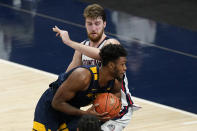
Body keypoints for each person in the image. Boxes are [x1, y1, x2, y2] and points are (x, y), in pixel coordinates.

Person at [53, 3, 138, 131]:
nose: (93, 28)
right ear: (85, 25)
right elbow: (68, 76)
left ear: (104, 24)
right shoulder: (82, 47)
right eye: (90, 24)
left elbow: (102, 54)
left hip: (118, 107)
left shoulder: (112, 44)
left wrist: (69, 42)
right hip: (97, 107)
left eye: (97, 23)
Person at [32, 44, 127, 131]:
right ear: (111, 65)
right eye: (122, 64)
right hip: (52, 106)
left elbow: (114, 102)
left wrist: (109, 113)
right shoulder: (82, 76)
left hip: (73, 110)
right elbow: (57, 103)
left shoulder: (115, 84)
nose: (125, 68)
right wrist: (85, 114)